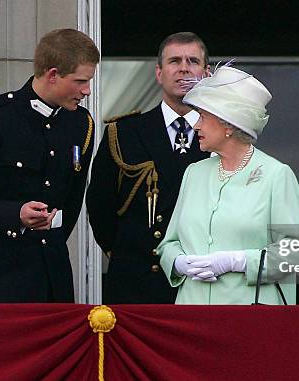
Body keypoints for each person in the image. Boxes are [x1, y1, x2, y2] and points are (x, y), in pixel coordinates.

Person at [0, 29, 99, 302]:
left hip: (51, 277)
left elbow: (73, 201)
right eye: (80, 81)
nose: (87, 91)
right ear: (53, 74)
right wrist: (16, 214)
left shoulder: (81, 124)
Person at [157, 65, 299, 305]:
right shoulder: (194, 173)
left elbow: (296, 252)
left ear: (228, 124)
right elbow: (169, 244)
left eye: (203, 118)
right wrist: (178, 263)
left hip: (247, 318)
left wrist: (239, 261)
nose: (196, 126)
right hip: (191, 315)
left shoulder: (276, 175)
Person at [86, 32, 210, 304]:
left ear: (207, 73)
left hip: (203, 285)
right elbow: (100, 209)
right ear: (159, 73)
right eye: (174, 61)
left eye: (193, 61)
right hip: (139, 283)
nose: (184, 68)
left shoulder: (225, 135)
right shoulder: (123, 133)